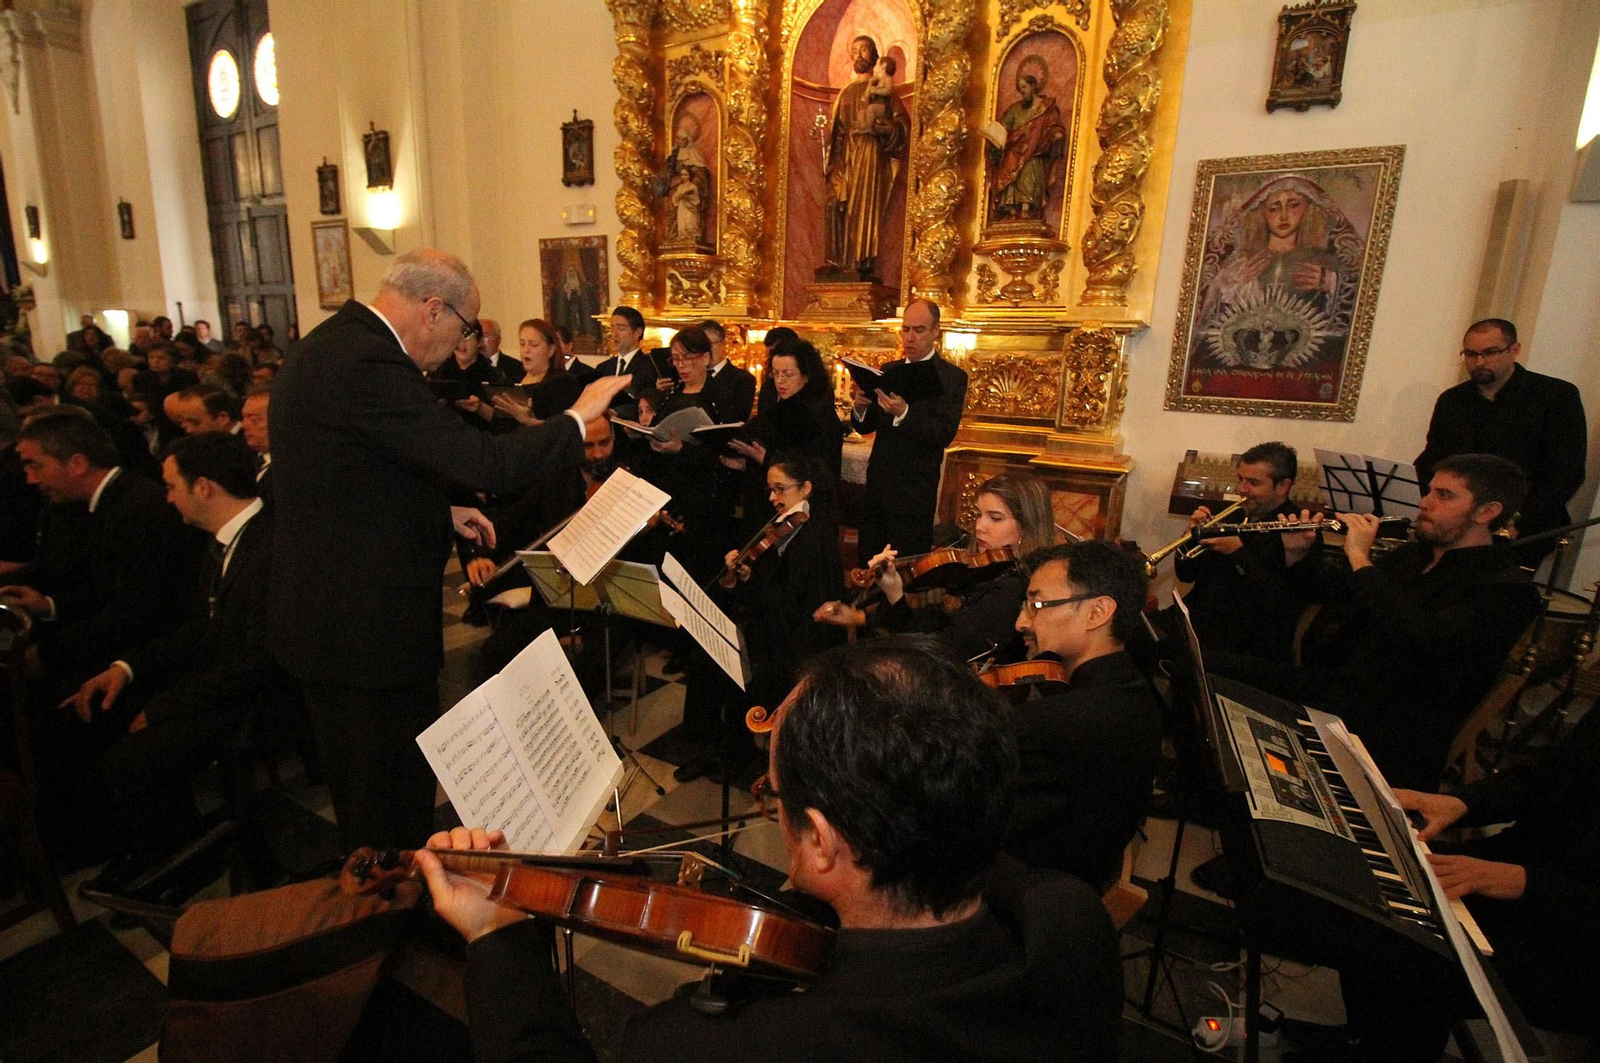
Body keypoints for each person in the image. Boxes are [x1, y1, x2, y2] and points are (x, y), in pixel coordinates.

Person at [420, 637, 1121, 1063]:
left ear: (821, 841)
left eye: (774, 794)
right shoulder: (1071, 924)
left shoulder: (713, 1048)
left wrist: (499, 938)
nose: (771, 807)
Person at [269, 247, 630, 850]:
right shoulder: (367, 363)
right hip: (360, 633)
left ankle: (402, 884)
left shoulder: (337, 343)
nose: (464, 344)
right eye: (465, 329)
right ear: (434, 310)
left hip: (340, 615)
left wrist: (441, 510)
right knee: (384, 809)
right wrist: (576, 418)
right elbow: (486, 462)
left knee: (387, 793)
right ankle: (393, 896)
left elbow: (349, 478)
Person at [1212, 453, 1540, 791]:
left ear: (1486, 512)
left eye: (1444, 495)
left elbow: (1418, 636)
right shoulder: (1413, 556)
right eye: (1429, 491)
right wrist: (1297, 555)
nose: (1425, 503)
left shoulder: (1507, 590)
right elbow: (1330, 593)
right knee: (1200, 665)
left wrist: (1359, 557)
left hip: (1395, 731)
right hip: (1338, 691)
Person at [65, 431, 280, 876]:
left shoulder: (268, 546)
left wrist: (164, 707)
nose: (167, 499)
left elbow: (258, 661)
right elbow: (199, 627)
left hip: (257, 697)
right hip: (220, 680)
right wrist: (126, 668)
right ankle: (162, 846)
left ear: (203, 487)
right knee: (100, 713)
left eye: (171, 486)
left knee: (130, 760)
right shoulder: (221, 540)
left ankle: (178, 864)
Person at [1391, 702, 1599, 1046]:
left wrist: (1524, 881)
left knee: (1423, 957)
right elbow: (1547, 777)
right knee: (1389, 873)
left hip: (1577, 946)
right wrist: (1461, 803)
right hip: (1522, 874)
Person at [0, 407, 201, 688]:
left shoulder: (139, 510)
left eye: (35, 465)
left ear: (77, 463)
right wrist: (49, 606)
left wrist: (49, 653)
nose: (30, 479)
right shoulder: (108, 501)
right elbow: (103, 591)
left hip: (149, 659)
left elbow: (136, 613)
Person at [676, 454, 844, 784]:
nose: (772, 498)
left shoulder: (814, 539)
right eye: (770, 490)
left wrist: (752, 583)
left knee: (729, 663)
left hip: (791, 639)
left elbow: (797, 605)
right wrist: (740, 575)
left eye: (780, 489)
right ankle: (708, 748)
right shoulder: (779, 527)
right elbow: (767, 587)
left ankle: (735, 753)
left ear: (806, 489)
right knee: (704, 655)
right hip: (766, 622)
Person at [1005, 541, 1161, 892]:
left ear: (1097, 613)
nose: (1020, 622)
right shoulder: (1132, 688)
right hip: (1080, 878)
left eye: (1036, 605)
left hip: (1035, 896)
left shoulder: (1058, 723)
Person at [815, 469, 1054, 665]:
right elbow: (934, 622)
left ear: (1027, 526)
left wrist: (894, 597)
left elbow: (937, 652)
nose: (980, 526)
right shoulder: (987, 570)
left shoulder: (1011, 589)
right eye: (979, 515)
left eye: (995, 518)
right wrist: (866, 613)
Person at [1414, 318, 1586, 560]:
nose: (1479, 362)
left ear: (1514, 350)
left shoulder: (1556, 396)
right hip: (1454, 524)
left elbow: (1566, 473)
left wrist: (1517, 521)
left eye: (1490, 352)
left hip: (1523, 529)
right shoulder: (1452, 400)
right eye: (1471, 354)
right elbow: (1434, 460)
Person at [1171, 441, 1317, 662]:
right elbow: (1185, 574)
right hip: (1199, 620)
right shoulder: (1232, 514)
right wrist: (1189, 537)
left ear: (1283, 486)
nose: (1242, 489)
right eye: (1240, 479)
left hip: (1246, 640)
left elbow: (1280, 605)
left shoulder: (1301, 530)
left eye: (1253, 482)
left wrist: (1237, 552)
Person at [850, 298, 968, 565]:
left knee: (905, 566)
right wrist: (860, 407)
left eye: (919, 330)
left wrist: (904, 413)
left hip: (914, 493)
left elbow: (943, 433)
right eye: (906, 329)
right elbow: (866, 426)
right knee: (869, 562)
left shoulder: (952, 377)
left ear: (936, 330)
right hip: (878, 488)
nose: (910, 337)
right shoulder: (888, 370)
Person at [821, 35, 910, 278]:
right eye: (855, 50)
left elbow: (903, 125)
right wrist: (833, 165)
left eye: (864, 49)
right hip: (846, 159)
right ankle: (839, 261)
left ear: (874, 54)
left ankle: (861, 262)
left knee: (864, 208)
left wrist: (887, 129)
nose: (859, 54)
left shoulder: (885, 89)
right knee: (836, 204)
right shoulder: (846, 93)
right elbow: (837, 133)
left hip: (870, 156)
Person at [988, 55, 1067, 222]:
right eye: (1020, 89)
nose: (1022, 91)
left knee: (1030, 169)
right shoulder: (1014, 109)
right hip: (1014, 150)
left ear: (1033, 87)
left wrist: (1056, 135)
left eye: (1024, 87)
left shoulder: (1046, 108)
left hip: (1035, 150)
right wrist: (995, 137)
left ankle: (1026, 209)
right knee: (1008, 165)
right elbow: (1003, 127)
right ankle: (1010, 210)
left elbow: (1054, 126)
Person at [593, 305, 676, 413]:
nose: (614, 335)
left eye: (621, 328)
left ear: (637, 332)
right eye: (612, 328)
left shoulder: (651, 366)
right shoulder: (603, 368)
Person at [699, 319, 756, 423]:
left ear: (723, 344)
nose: (707, 350)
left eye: (711, 344)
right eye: (702, 346)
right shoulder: (692, 377)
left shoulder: (743, 379)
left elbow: (737, 417)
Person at [171, 383, 240, 435]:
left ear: (222, 418)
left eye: (195, 422)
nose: (188, 430)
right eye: (182, 422)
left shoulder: (243, 445)